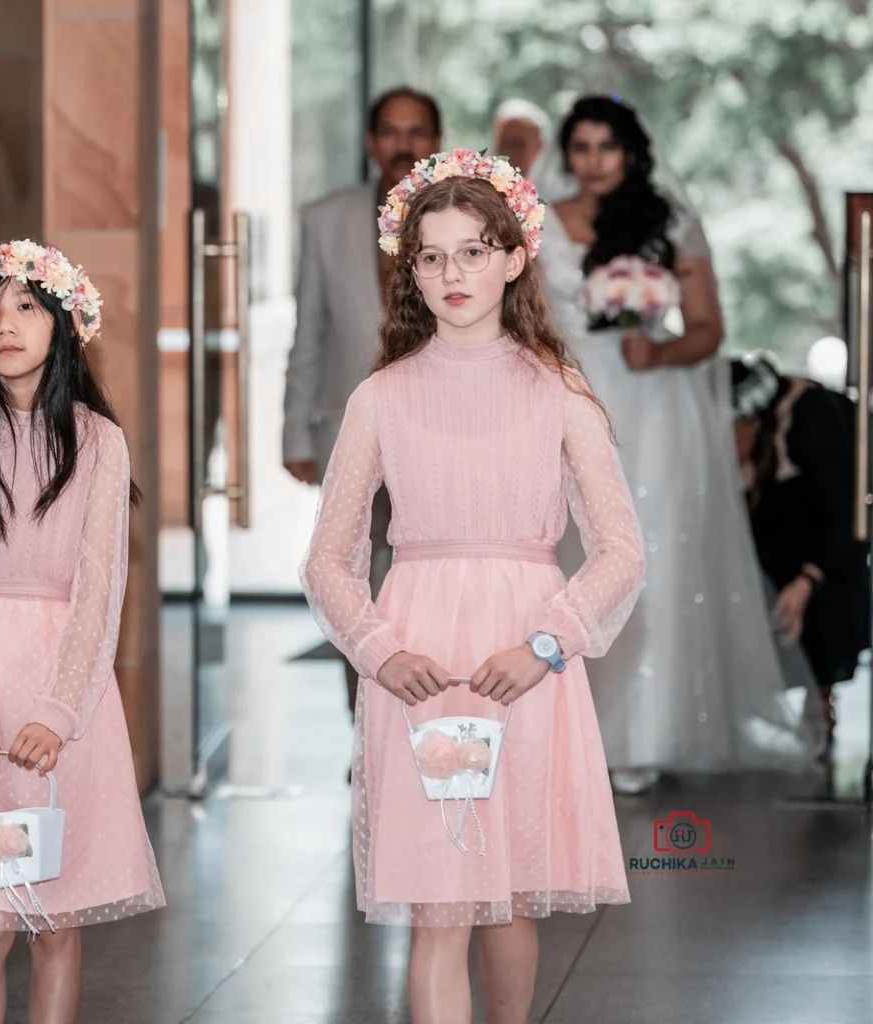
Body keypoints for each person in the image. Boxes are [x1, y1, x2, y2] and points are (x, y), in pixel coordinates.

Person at [303, 151, 641, 1024]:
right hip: (419, 661)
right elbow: (328, 559)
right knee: (441, 906)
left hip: (522, 657)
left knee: (514, 899)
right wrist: (378, 650)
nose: (453, 273)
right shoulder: (380, 397)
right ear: (410, 270)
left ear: (514, 258)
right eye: (432, 256)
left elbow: (621, 552)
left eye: (474, 251)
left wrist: (546, 645)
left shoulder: (558, 391)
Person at [0, 241, 164, 1024]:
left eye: (25, 306)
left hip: (67, 693)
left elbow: (99, 591)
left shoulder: (97, 444)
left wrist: (58, 713)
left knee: (55, 922)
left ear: (62, 324)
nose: (6, 324)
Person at [537, 96, 809, 795]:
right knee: (569, 551)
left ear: (631, 150)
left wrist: (654, 356)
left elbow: (708, 329)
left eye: (607, 146)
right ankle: (569, 724)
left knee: (645, 549)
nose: (593, 160)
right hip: (569, 400)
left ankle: (645, 731)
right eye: (582, 146)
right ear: (566, 153)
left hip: (651, 403)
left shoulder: (669, 221)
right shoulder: (538, 220)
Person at [284, 85, 442, 716]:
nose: (403, 145)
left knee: (425, 575)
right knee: (355, 579)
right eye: (391, 131)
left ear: (435, 140)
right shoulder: (326, 218)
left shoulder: (463, 215)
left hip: (443, 430)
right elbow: (311, 329)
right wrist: (294, 431)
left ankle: (432, 713)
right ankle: (365, 725)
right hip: (354, 428)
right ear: (372, 142)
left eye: (417, 131)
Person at [732, 352, 870, 747]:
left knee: (818, 607)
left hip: (826, 548)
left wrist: (807, 580)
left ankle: (821, 700)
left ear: (751, 421)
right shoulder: (751, 449)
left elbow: (844, 516)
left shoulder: (811, 418)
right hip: (775, 548)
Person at [490, 99, 572, 203]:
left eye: (518, 145)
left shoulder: (562, 197)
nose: (509, 152)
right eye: (504, 144)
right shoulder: (483, 191)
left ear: (541, 147)